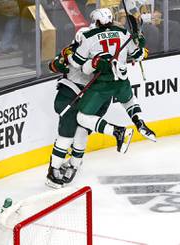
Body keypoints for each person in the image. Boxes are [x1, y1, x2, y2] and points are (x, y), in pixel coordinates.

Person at [67, 8, 155, 154]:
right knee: (129, 101)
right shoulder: (123, 33)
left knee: (82, 117)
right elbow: (138, 55)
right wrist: (140, 40)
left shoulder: (88, 36)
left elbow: (76, 63)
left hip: (101, 84)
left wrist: (69, 54)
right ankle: (140, 123)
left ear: (96, 21)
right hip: (122, 81)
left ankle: (117, 132)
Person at [46, 26, 113, 189]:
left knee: (82, 133)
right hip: (70, 94)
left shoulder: (100, 55)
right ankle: (53, 170)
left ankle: (74, 164)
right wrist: (59, 64)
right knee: (66, 135)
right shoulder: (70, 51)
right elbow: (53, 65)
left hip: (89, 97)